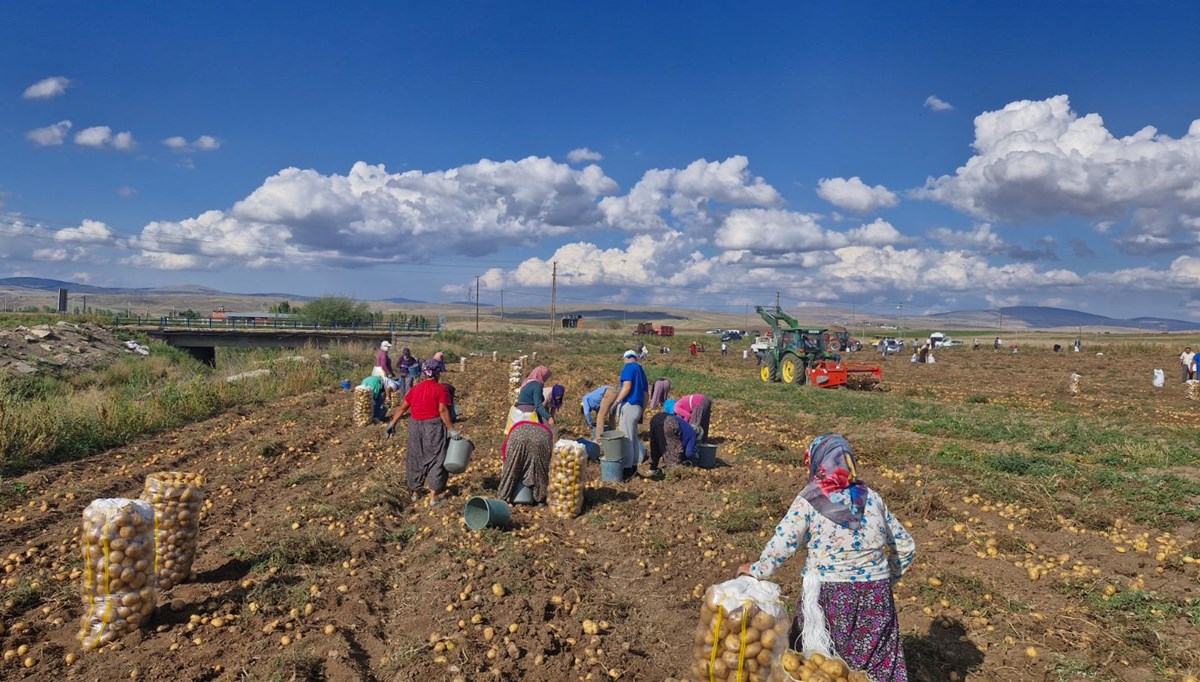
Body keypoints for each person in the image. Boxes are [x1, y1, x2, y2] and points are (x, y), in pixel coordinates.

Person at [737, 435, 915, 681]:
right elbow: (905, 546)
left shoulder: (811, 499)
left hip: (830, 596)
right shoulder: (872, 498)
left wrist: (758, 570)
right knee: (873, 669)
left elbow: (784, 543)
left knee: (818, 665)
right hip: (876, 595)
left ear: (818, 462)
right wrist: (883, 582)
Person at [383, 360, 456, 507]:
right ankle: (433, 497)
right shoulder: (441, 389)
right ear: (437, 373)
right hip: (433, 426)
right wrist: (451, 429)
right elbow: (442, 410)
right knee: (437, 457)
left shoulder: (415, 389)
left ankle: (415, 492)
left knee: (416, 456)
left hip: (415, 426)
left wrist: (392, 424)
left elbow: (402, 408)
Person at [497, 420, 554, 505]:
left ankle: (503, 497)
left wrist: (506, 473)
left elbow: (507, 459)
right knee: (540, 470)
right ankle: (541, 499)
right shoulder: (545, 431)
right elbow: (547, 463)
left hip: (518, 436)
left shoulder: (514, 431)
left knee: (511, 469)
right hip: (543, 438)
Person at [615, 350, 649, 479]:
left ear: (628, 357)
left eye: (623, 359)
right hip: (638, 407)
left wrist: (617, 401)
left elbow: (627, 386)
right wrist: (642, 411)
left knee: (626, 438)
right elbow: (646, 394)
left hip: (630, 405)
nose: (623, 361)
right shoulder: (641, 370)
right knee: (633, 438)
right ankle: (634, 468)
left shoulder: (629, 367)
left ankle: (627, 470)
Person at [647, 410, 697, 475]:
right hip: (669, 423)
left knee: (655, 444)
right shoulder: (693, 435)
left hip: (656, 418)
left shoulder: (687, 427)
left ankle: (652, 468)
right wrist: (693, 459)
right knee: (674, 447)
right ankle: (673, 472)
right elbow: (689, 453)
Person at [508, 365, 555, 432]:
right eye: (546, 377)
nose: (546, 379)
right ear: (543, 375)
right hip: (526, 415)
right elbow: (538, 405)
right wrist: (549, 417)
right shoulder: (536, 386)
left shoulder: (529, 383)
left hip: (519, 412)